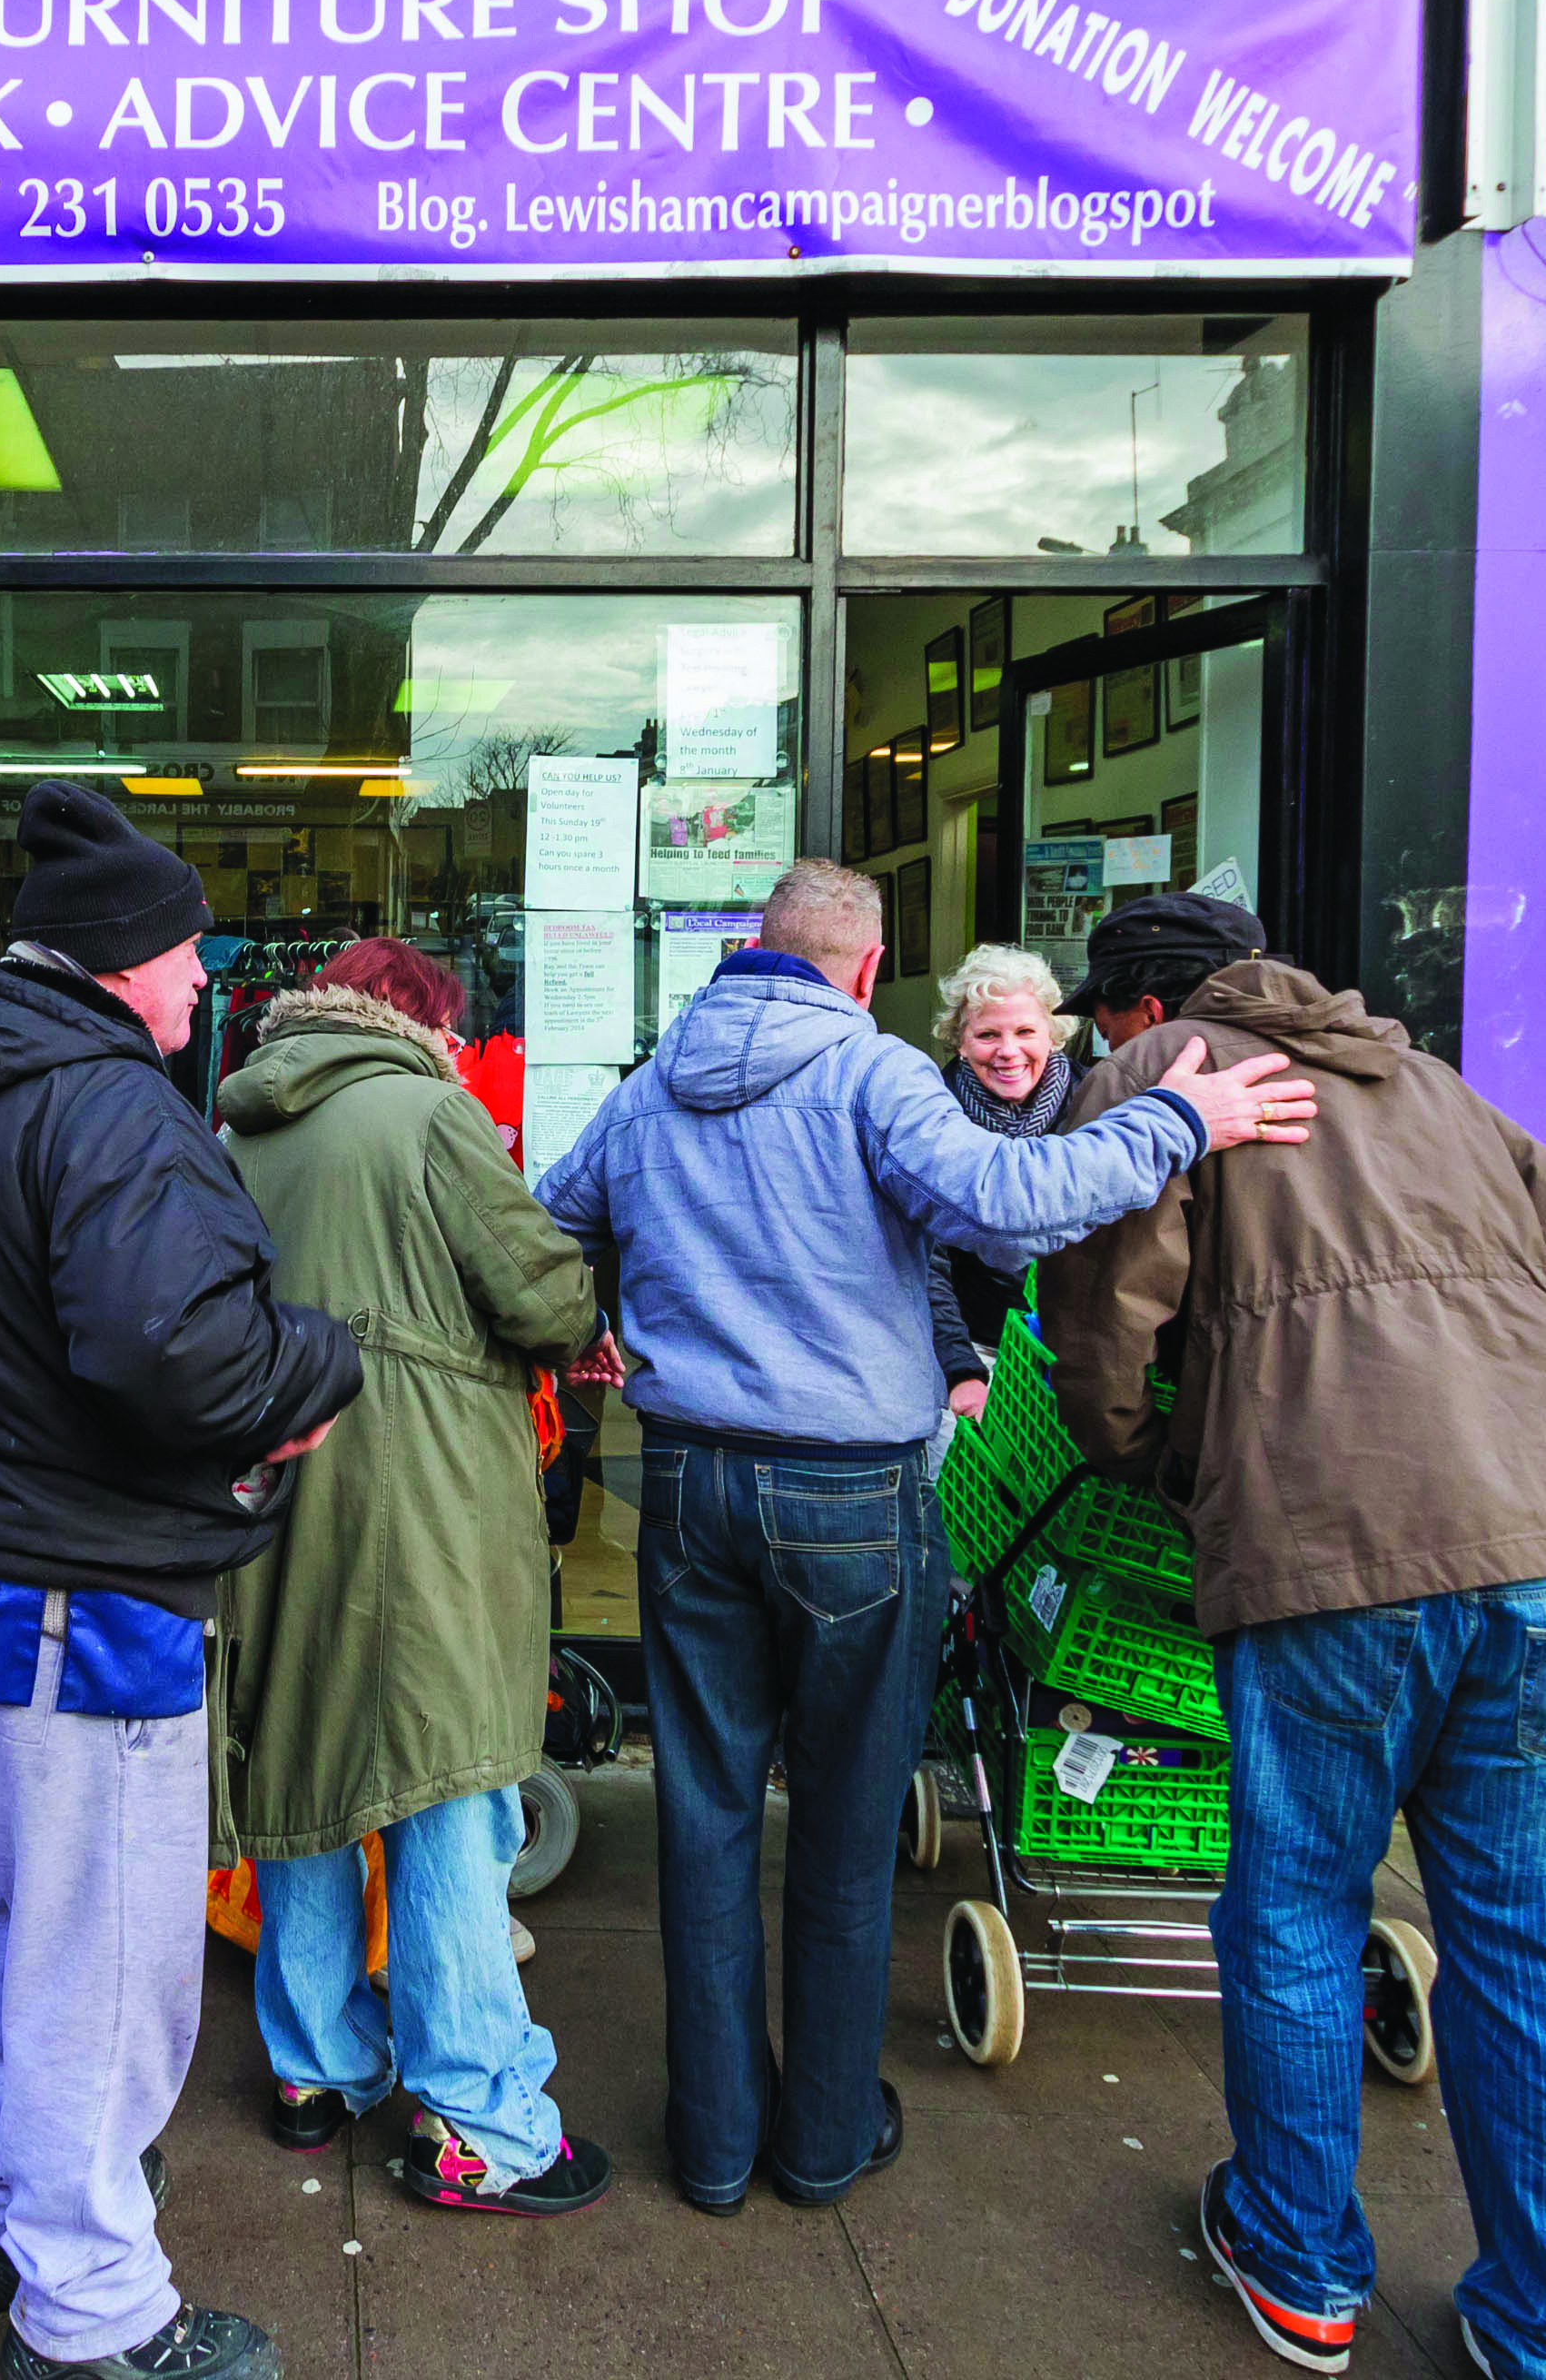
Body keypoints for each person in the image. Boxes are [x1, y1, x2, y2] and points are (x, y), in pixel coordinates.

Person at [530, 858, 1310, 2218]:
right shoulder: (870, 1073)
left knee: (706, 1816)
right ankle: (822, 2139)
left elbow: (546, 1227)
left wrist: (592, 1332)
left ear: (751, 953)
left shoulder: (649, 1089)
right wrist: (1180, 1117)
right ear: (867, 965)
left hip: (692, 1483)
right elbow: (1012, 1203)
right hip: (850, 1495)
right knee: (840, 1817)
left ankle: (712, 2143)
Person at [1028, 893, 1546, 2380]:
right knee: (1538, 1953)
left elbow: (1099, 1326)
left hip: (1334, 1547)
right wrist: (1515, 1437)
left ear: (1139, 1011)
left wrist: (1175, 1467)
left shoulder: (1172, 1081)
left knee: (1297, 1911)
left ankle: (1299, 2258)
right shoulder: (1427, 1079)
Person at [0, 781, 360, 2380]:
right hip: (75, 1597)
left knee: (3, 1928)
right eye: (187, 954)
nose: (205, 982)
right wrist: (318, 1364)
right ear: (119, 957)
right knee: (104, 1963)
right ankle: (96, 2317)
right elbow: (174, 1349)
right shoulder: (105, 1101)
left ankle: (14, 2224)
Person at [213, 937, 609, 2217]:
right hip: (422, 1500)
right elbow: (540, 1291)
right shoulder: (430, 1113)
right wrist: (591, 1334)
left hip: (283, 1494)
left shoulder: (234, 1123)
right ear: (418, 1017)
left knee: (309, 1772)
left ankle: (313, 2070)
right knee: (449, 1791)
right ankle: (481, 2121)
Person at [924, 941, 1083, 1426]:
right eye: (988, 1034)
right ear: (960, 1040)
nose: (1009, 1051)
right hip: (976, 1353)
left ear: (1054, 1035)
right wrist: (961, 1370)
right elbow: (923, 1261)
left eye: (1026, 1031)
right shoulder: (929, 1115)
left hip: (1079, 1357)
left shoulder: (1094, 1104)